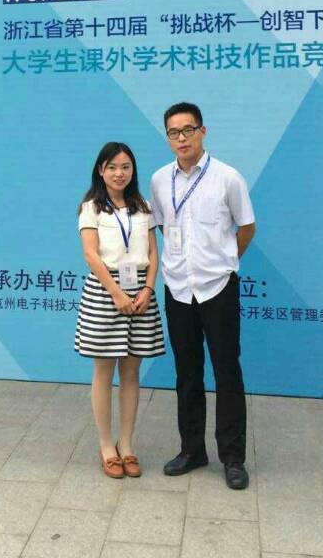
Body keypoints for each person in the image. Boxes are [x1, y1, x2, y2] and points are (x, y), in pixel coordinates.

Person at [150, 103, 256, 491]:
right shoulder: (159, 180)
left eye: (188, 130)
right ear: (168, 137)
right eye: (173, 132)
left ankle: (233, 458)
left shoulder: (227, 177)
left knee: (227, 372)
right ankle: (192, 450)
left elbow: (247, 227)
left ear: (202, 131)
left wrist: (225, 262)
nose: (181, 138)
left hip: (217, 288)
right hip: (178, 288)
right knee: (187, 372)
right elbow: (163, 227)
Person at [75, 141, 165, 479]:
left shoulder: (143, 207)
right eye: (112, 167)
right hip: (105, 291)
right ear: (101, 170)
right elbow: (90, 254)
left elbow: (153, 253)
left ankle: (126, 445)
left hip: (141, 292)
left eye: (125, 167)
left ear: (133, 170)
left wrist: (148, 289)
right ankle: (106, 447)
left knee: (131, 372)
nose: (119, 173)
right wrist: (116, 293)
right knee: (103, 371)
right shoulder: (91, 208)